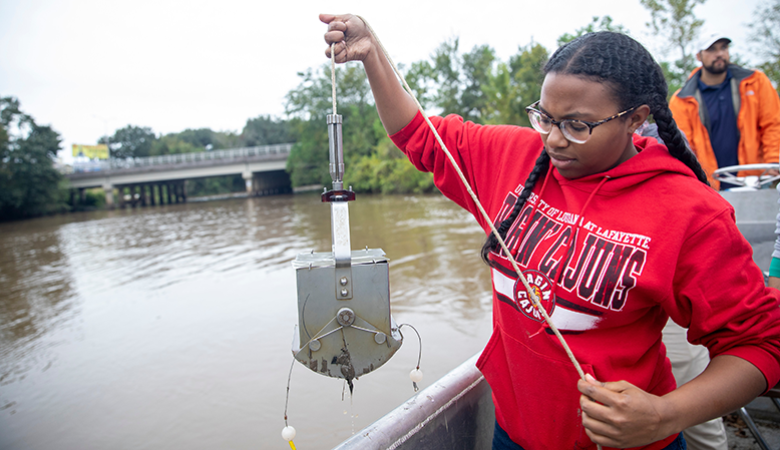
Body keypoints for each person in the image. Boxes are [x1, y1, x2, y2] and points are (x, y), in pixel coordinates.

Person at [321, 14, 780, 450]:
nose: (555, 139)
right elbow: (418, 135)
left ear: (636, 119)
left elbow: (761, 343)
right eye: (545, 117)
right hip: (514, 433)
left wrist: (666, 414)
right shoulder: (513, 159)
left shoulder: (690, 212)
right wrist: (372, 55)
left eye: (578, 125)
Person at [669, 33, 780, 190]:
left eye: (723, 48)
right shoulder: (682, 100)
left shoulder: (756, 82)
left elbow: (773, 124)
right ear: (699, 56)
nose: (719, 53)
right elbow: (684, 148)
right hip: (709, 187)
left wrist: (773, 161)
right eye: (712, 49)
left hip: (756, 180)